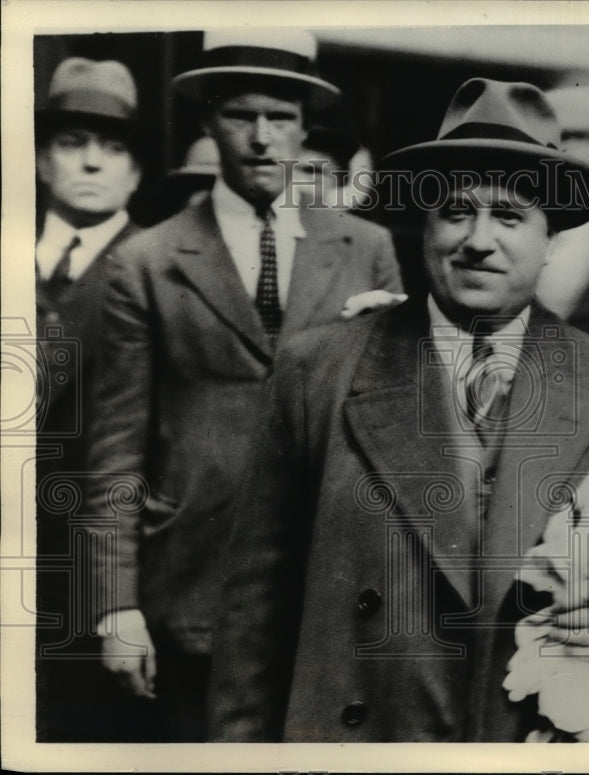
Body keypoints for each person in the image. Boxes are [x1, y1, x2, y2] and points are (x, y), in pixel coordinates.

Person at [207, 79, 589, 743]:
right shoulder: (319, 369)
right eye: (456, 212)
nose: (478, 240)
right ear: (425, 223)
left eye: (509, 216)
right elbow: (253, 616)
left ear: (549, 236)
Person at [83, 29, 403, 742]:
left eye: (282, 119)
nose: (262, 139)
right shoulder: (146, 261)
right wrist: (116, 605)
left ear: (303, 127)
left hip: (336, 578)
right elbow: (115, 447)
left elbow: (399, 427)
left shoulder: (365, 246)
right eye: (240, 116)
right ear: (207, 121)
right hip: (196, 585)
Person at [34, 56, 146, 743]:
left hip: (96, 576)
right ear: (42, 159)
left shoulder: (160, 266)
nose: (93, 162)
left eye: (114, 146)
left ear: (136, 171)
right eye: (73, 142)